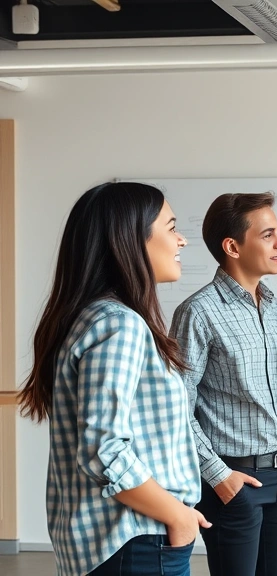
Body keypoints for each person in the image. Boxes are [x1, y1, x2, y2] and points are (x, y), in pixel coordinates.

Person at [18, 182, 205, 576]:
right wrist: (178, 516)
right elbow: (104, 449)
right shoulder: (120, 325)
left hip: (119, 542)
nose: (182, 240)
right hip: (136, 540)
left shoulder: (91, 317)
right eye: (171, 228)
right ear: (131, 240)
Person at [170, 192, 277, 576]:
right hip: (236, 481)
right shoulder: (197, 313)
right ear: (232, 246)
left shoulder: (275, 307)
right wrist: (219, 476)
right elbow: (176, 409)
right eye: (268, 235)